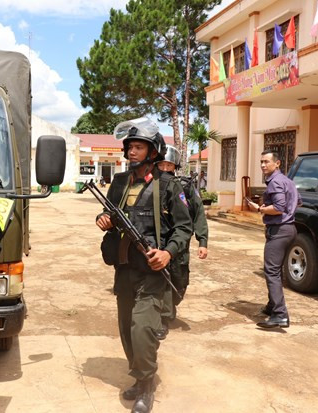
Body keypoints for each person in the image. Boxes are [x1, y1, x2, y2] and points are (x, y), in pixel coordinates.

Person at [96, 118, 192, 413]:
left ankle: (147, 384)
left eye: (139, 147)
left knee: (142, 329)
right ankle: (138, 377)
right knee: (126, 328)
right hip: (124, 268)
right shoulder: (121, 183)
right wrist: (104, 220)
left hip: (152, 271)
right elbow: (107, 213)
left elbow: (183, 228)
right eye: (130, 147)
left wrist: (168, 253)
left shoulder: (168, 185)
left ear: (154, 152)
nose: (132, 152)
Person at [157, 145, 208, 333]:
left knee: (180, 280)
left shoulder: (185, 187)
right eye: (160, 165)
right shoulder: (153, 187)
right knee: (164, 278)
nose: (164, 169)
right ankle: (164, 316)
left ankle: (171, 306)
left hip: (181, 241)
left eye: (168, 165)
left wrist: (202, 241)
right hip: (161, 242)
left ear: (175, 166)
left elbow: (199, 214)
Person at [246, 150, 299, 329]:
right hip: (290, 229)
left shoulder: (275, 182)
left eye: (266, 162)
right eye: (261, 162)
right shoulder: (288, 181)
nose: (262, 165)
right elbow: (297, 202)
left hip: (279, 230)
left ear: (277, 163)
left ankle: (280, 314)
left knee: (271, 271)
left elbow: (278, 207)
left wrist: (259, 208)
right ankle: (271, 306)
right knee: (277, 270)